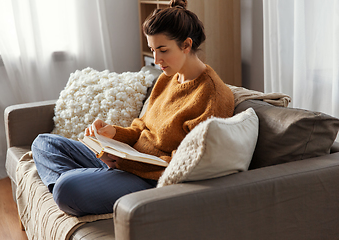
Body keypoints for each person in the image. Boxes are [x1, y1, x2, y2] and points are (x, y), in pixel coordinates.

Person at [31, 0, 234, 217]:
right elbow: (141, 127)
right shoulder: (168, 78)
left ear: (186, 45)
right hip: (127, 162)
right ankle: (96, 180)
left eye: (162, 50)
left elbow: (188, 164)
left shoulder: (212, 96)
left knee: (65, 188)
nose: (156, 60)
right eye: (152, 50)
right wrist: (113, 134)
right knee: (44, 143)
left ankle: (89, 184)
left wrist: (125, 164)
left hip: (150, 179)